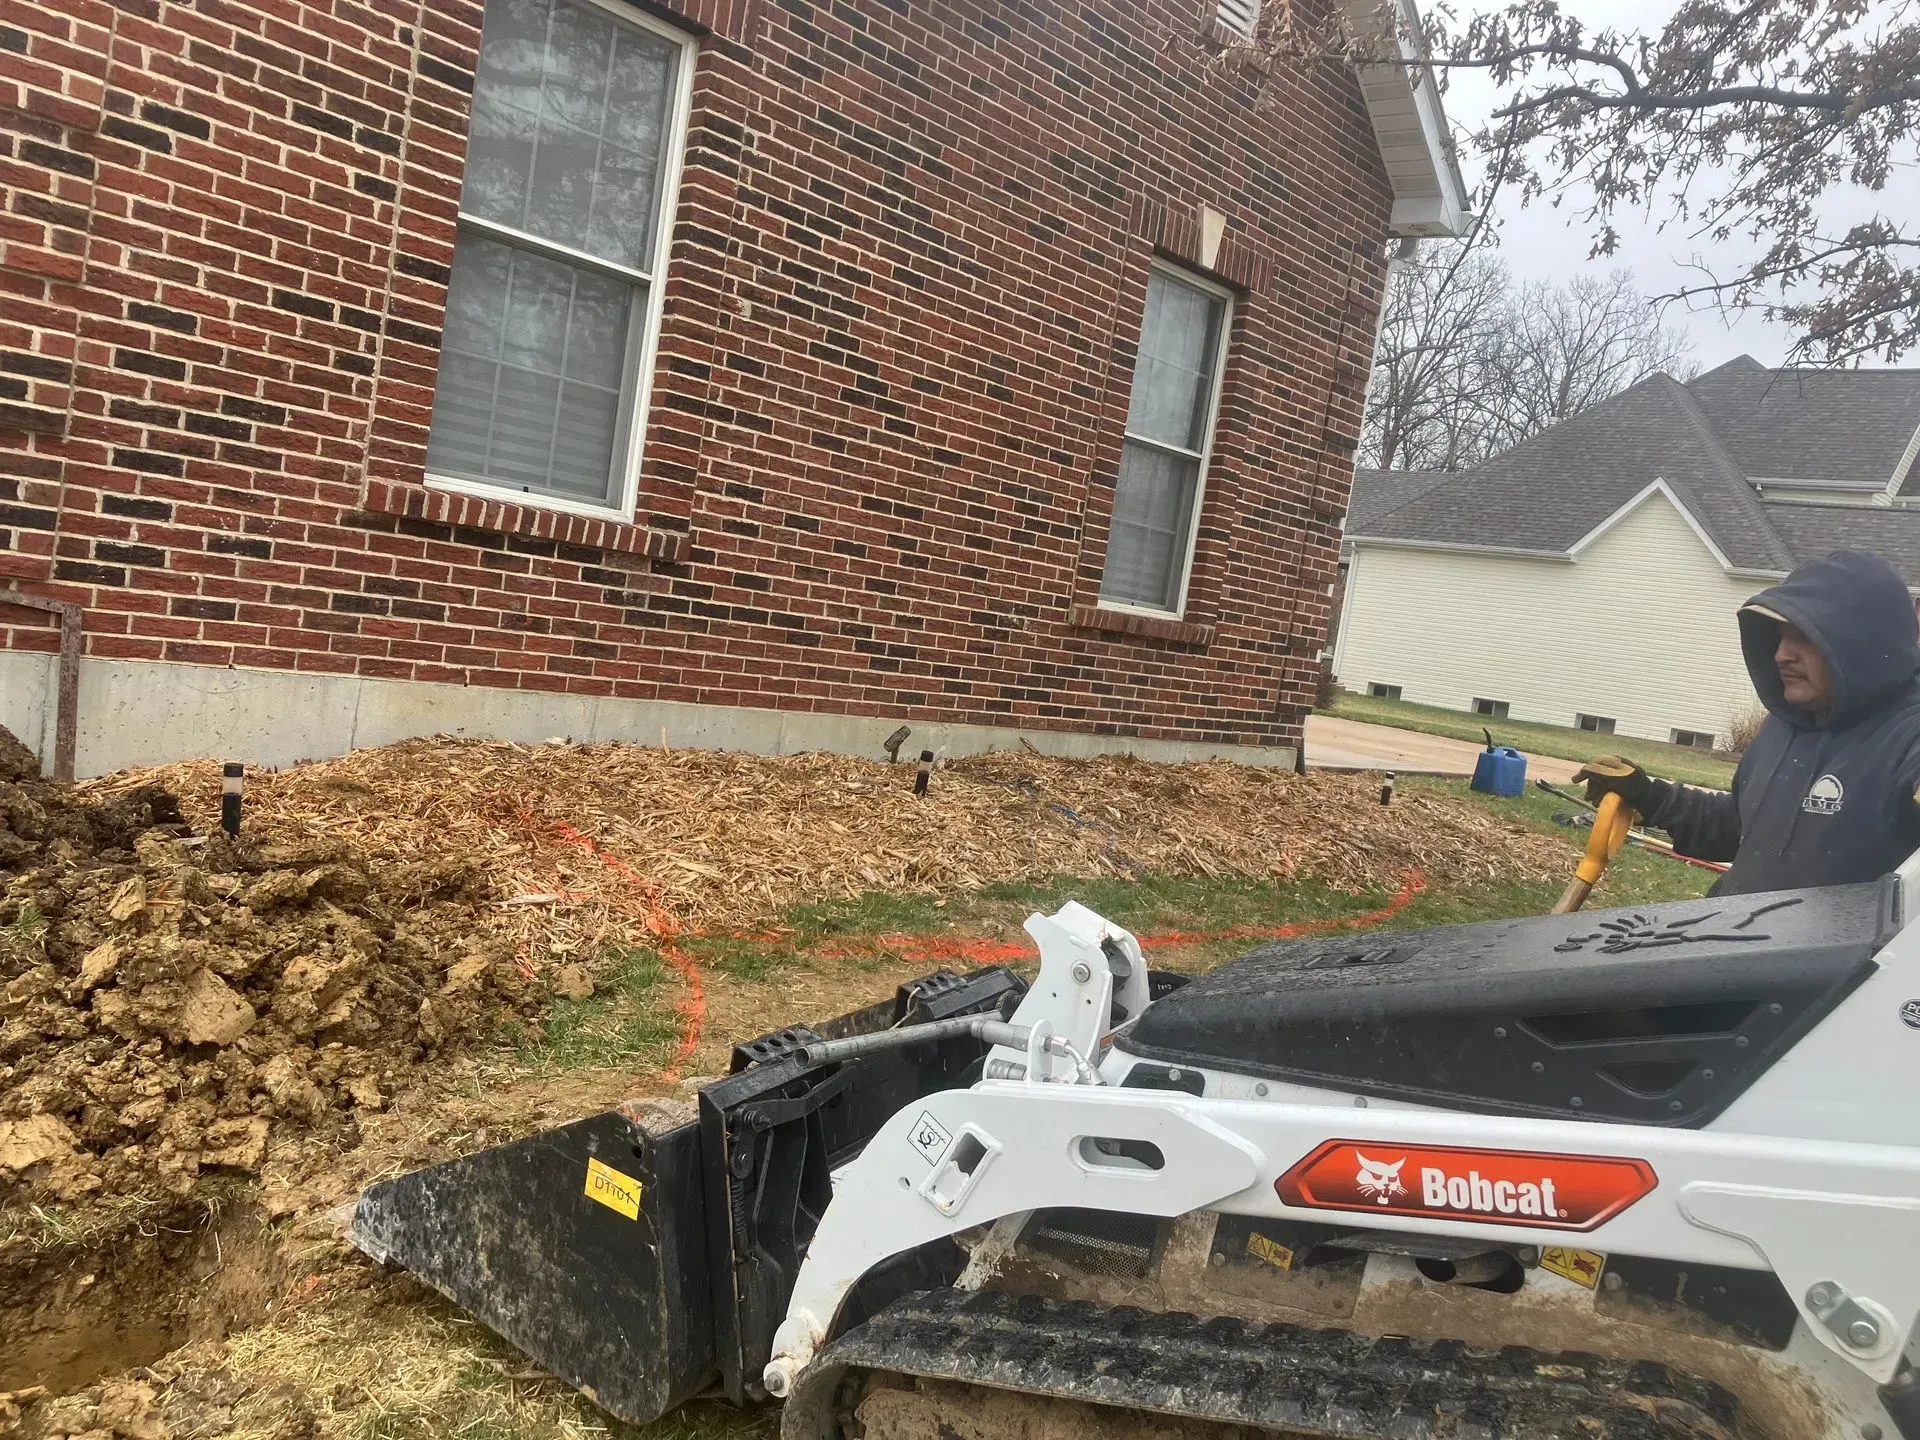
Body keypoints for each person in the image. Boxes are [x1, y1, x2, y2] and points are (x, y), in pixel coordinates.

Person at [1575, 550, 1920, 896]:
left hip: (1840, 951)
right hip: (1735, 937)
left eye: (1803, 637)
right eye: (1781, 636)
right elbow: (1739, 827)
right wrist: (1650, 796)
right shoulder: (1785, 725)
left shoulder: (1908, 737)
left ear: (1861, 644)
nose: (1781, 655)